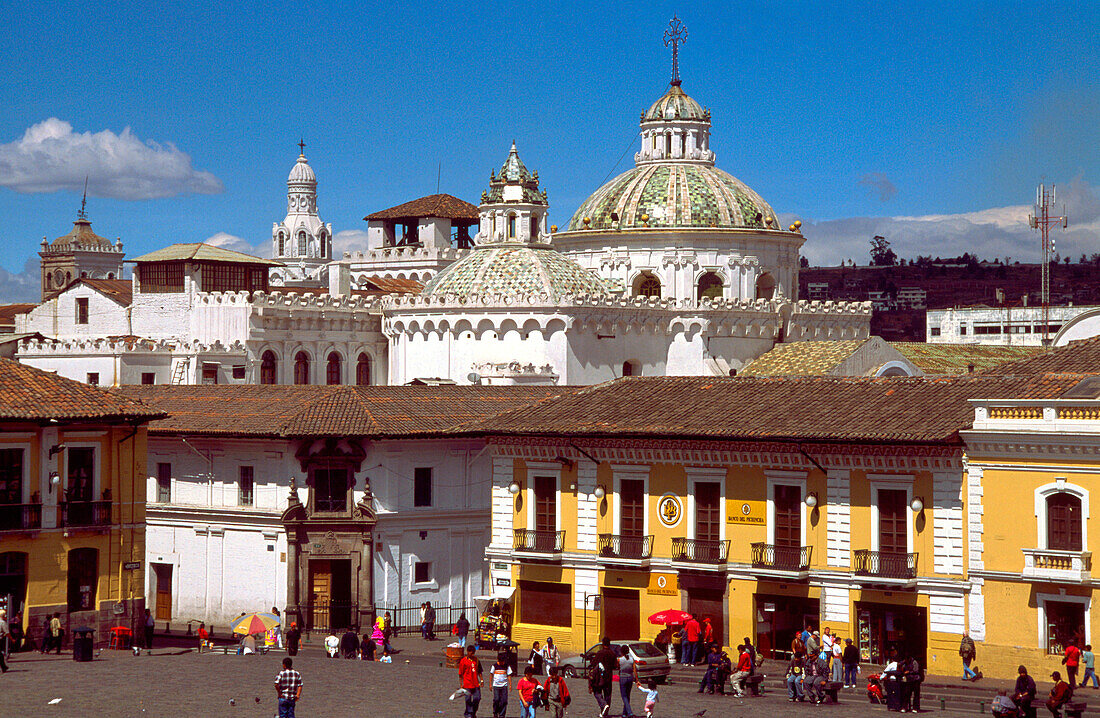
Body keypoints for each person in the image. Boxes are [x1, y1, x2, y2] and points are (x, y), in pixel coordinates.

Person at [590, 636, 617, 716]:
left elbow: (594, 663)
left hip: (599, 677)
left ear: (602, 644)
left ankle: (603, 705)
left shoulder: (599, 653)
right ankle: (605, 711)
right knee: (608, 694)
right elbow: (615, 665)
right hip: (608, 677)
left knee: (597, 692)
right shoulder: (612, 653)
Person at [458, 645, 484, 718]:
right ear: (468, 652)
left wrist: (481, 680)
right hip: (467, 684)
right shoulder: (463, 661)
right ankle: (468, 714)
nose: (472, 654)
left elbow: (479, 671)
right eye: (471, 653)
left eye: (473, 653)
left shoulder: (476, 660)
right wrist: (461, 684)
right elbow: (460, 673)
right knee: (468, 699)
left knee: (477, 698)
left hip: (475, 683)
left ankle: (473, 712)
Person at [491, 651, 513, 718]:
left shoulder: (507, 666)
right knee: (496, 699)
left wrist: (510, 685)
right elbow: (491, 675)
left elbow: (509, 675)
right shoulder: (494, 666)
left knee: (504, 700)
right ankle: (495, 712)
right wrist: (490, 685)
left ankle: (502, 714)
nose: (502, 663)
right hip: (496, 685)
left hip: (504, 685)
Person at [619, 642, 637, 715]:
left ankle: (629, 712)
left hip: (623, 677)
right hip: (630, 677)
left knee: (624, 696)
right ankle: (624, 713)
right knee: (627, 695)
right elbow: (634, 670)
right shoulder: (632, 659)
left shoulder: (620, 660)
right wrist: (637, 679)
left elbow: (617, 667)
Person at [0, 609, 9, 673]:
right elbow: (7, 632)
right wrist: (12, 639)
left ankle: (3, 666)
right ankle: (3, 666)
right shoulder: (2, 622)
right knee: (0, 654)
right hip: (0, 639)